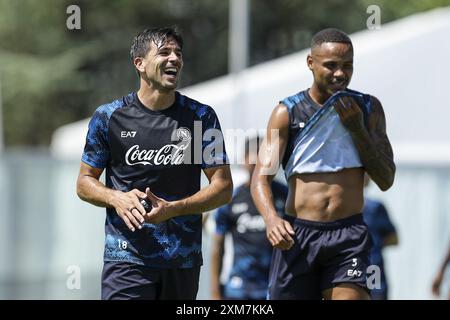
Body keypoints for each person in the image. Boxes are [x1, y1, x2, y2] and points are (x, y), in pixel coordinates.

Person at [76, 27, 233, 300]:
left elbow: (223, 187)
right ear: (140, 63)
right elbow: (84, 182)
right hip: (126, 257)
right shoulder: (109, 117)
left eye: (178, 53)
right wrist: (117, 198)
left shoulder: (201, 117)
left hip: (182, 259)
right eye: (164, 52)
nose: (175, 59)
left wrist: (175, 209)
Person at [251, 28, 395, 300]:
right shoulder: (286, 112)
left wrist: (357, 129)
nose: (340, 74)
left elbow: (386, 179)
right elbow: (260, 178)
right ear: (310, 63)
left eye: (347, 66)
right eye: (331, 66)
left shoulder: (368, 109)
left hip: (349, 237)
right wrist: (271, 220)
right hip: (299, 235)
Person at [210, 137, 288, 300]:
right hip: (239, 289)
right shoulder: (231, 199)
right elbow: (218, 246)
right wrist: (215, 292)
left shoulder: (285, 196)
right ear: (244, 160)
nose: (256, 165)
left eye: (261, 159)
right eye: (252, 158)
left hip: (275, 286)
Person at [362, 174, 398, 300]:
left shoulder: (374, 208)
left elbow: (394, 239)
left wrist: (373, 244)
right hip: (349, 269)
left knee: (375, 294)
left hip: (372, 268)